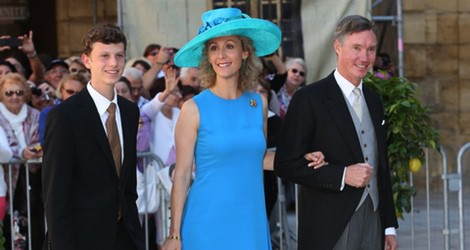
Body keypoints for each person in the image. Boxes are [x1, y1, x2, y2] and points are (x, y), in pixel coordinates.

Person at [161, 8, 324, 250]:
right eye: (214, 48)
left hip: (250, 221)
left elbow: (259, 158)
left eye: (229, 45)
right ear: (207, 56)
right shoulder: (193, 108)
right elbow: (183, 175)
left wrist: (301, 156)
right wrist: (174, 235)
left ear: (245, 52)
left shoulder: (258, 103)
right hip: (206, 221)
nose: (222, 55)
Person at [274, 15, 399, 250]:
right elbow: (285, 164)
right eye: (357, 48)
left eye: (371, 49)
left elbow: (381, 166)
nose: (364, 57)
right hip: (329, 225)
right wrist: (342, 175)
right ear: (338, 47)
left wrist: (389, 226)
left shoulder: (374, 100)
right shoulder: (309, 99)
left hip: (373, 218)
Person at [42, 23, 145, 250]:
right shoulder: (64, 117)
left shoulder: (129, 111)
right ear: (87, 60)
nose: (113, 63)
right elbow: (55, 198)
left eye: (119, 56)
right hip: (81, 240)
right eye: (104, 56)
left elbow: (127, 187)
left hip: (125, 239)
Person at [0, 72, 43, 248]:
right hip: (5, 176)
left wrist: (33, 151)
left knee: (32, 218)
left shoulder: (35, 114)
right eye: (9, 93)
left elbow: (38, 139)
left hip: (30, 175)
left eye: (19, 92)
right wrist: (20, 153)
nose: (14, 97)